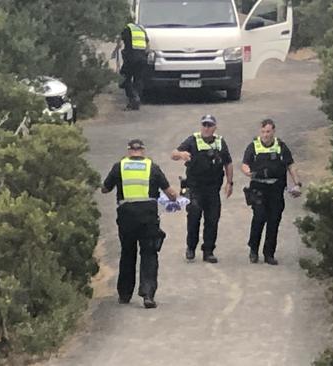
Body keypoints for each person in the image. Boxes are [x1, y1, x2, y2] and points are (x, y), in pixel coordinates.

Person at [102, 139, 177, 308]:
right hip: (148, 217)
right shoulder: (152, 167)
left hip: (126, 217)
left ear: (129, 151)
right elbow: (170, 192)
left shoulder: (119, 166)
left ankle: (124, 294)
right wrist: (175, 197)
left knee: (128, 253)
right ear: (142, 150)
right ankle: (148, 294)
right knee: (149, 254)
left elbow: (105, 189)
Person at [171, 115, 234, 263]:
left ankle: (208, 251)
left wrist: (230, 183)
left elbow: (228, 163)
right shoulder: (192, 140)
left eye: (209, 125)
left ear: (214, 127)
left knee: (212, 220)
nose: (206, 128)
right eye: (204, 125)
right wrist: (181, 154)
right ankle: (191, 248)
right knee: (193, 218)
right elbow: (173, 154)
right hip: (195, 187)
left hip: (213, 189)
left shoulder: (220, 142)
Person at [241, 119, 302, 265]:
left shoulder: (281, 146)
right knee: (259, 217)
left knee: (274, 220)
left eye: (268, 132)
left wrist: (297, 183)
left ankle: (269, 253)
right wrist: (248, 172)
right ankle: (253, 250)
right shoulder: (253, 146)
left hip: (276, 188)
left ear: (273, 131)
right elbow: (244, 164)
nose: (265, 135)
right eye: (263, 132)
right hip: (258, 188)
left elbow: (290, 166)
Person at [118, 22, 149, 110]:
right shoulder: (141, 28)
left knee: (125, 78)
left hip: (131, 58)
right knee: (138, 79)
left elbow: (121, 42)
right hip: (142, 59)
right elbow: (147, 45)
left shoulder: (127, 28)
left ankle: (133, 98)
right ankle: (137, 101)